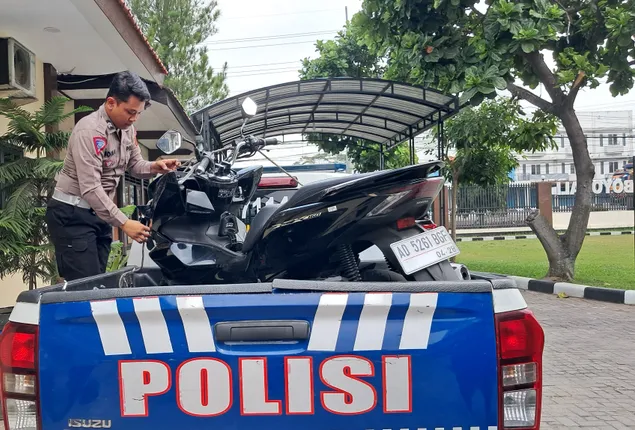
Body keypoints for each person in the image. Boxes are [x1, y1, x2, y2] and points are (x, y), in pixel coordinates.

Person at [46, 71, 180, 282]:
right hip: (72, 215)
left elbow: (135, 166)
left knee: (99, 284)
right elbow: (90, 188)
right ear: (111, 103)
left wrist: (156, 166)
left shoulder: (128, 130)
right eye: (130, 112)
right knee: (84, 288)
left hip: (99, 214)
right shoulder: (89, 131)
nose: (134, 118)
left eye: (138, 113)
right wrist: (124, 223)